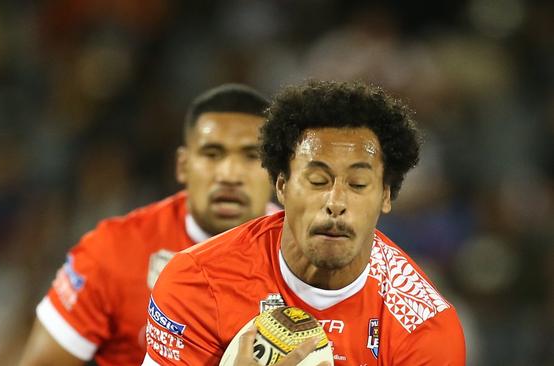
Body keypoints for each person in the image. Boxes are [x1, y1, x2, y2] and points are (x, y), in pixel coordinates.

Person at [142, 80, 466, 365]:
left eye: (357, 184)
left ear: (385, 196)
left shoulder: (423, 328)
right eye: (317, 180)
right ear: (282, 186)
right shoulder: (199, 280)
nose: (335, 204)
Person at [18, 83, 276, 366]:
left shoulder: (305, 251)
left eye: (251, 156)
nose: (229, 174)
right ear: (183, 165)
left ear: (277, 171)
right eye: (212, 154)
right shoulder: (113, 250)